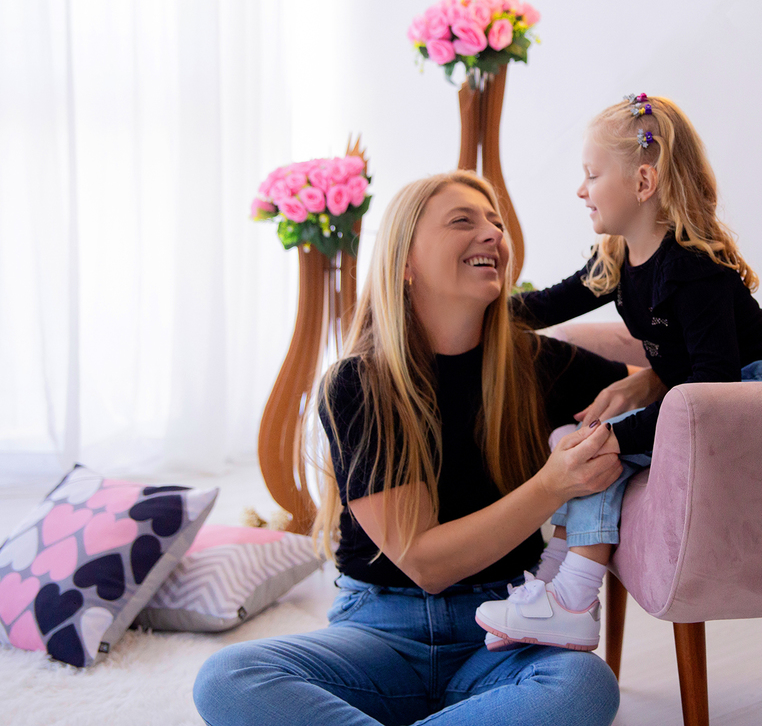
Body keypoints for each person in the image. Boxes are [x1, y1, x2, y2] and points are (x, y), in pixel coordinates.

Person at [193, 170, 662, 725]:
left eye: (495, 222)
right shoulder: (359, 383)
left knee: (584, 687)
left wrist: (646, 379)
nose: (492, 233)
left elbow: (677, 389)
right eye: (464, 220)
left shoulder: (535, 363)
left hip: (502, 626)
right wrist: (552, 485)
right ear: (406, 264)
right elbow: (425, 563)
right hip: (379, 633)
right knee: (228, 678)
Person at [476, 94, 762, 652]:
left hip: (754, 396)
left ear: (643, 181)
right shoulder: (616, 258)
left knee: (594, 451)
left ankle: (574, 600)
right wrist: (468, 308)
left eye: (592, 175)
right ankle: (554, 587)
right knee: (571, 443)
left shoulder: (691, 268)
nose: (581, 190)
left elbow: (714, 390)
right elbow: (544, 306)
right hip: (700, 398)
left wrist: (615, 435)